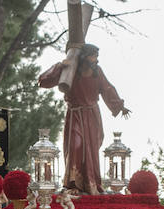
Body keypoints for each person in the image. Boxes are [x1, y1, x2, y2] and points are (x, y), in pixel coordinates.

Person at [37, 43, 129, 194]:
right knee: (75, 146)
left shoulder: (97, 72)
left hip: (92, 116)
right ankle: (73, 183)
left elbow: (107, 88)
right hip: (75, 115)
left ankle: (91, 183)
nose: (96, 60)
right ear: (84, 57)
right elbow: (44, 81)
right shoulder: (70, 71)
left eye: (96, 57)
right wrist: (60, 66)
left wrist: (119, 106)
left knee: (91, 149)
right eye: (93, 56)